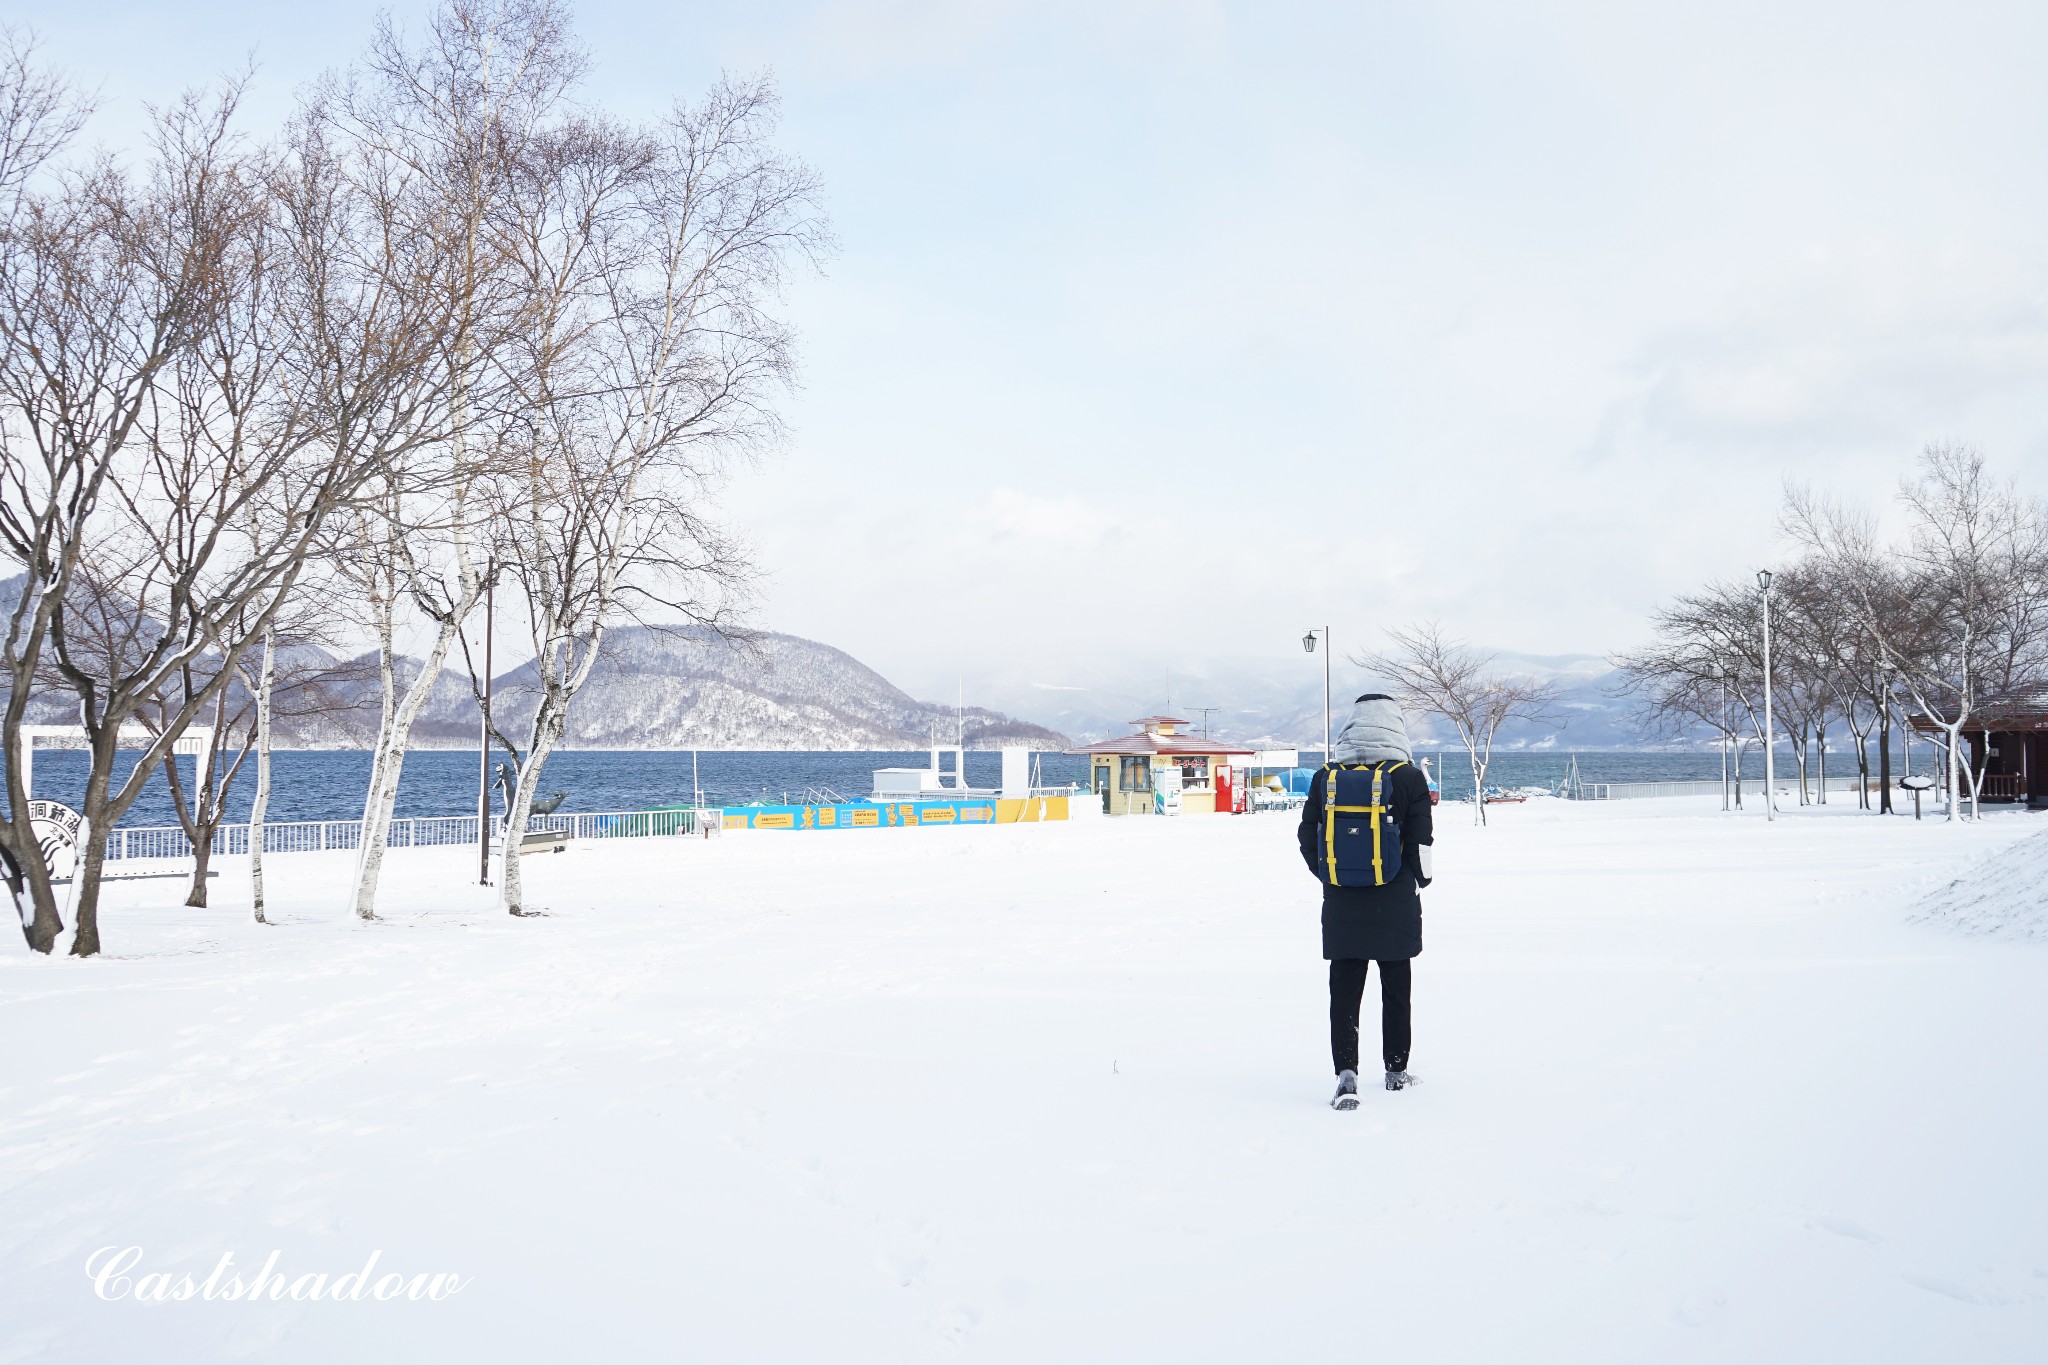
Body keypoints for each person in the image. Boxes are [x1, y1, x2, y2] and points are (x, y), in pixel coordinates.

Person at [1297, 693, 1434, 1109]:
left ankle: (1346, 1073)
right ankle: (1395, 1070)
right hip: (1394, 900)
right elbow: (1421, 842)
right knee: (1396, 989)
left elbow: (1307, 836)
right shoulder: (1409, 777)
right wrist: (1420, 882)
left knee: (1344, 990)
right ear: (1395, 727)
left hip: (1342, 902)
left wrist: (1330, 877)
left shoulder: (1327, 777)